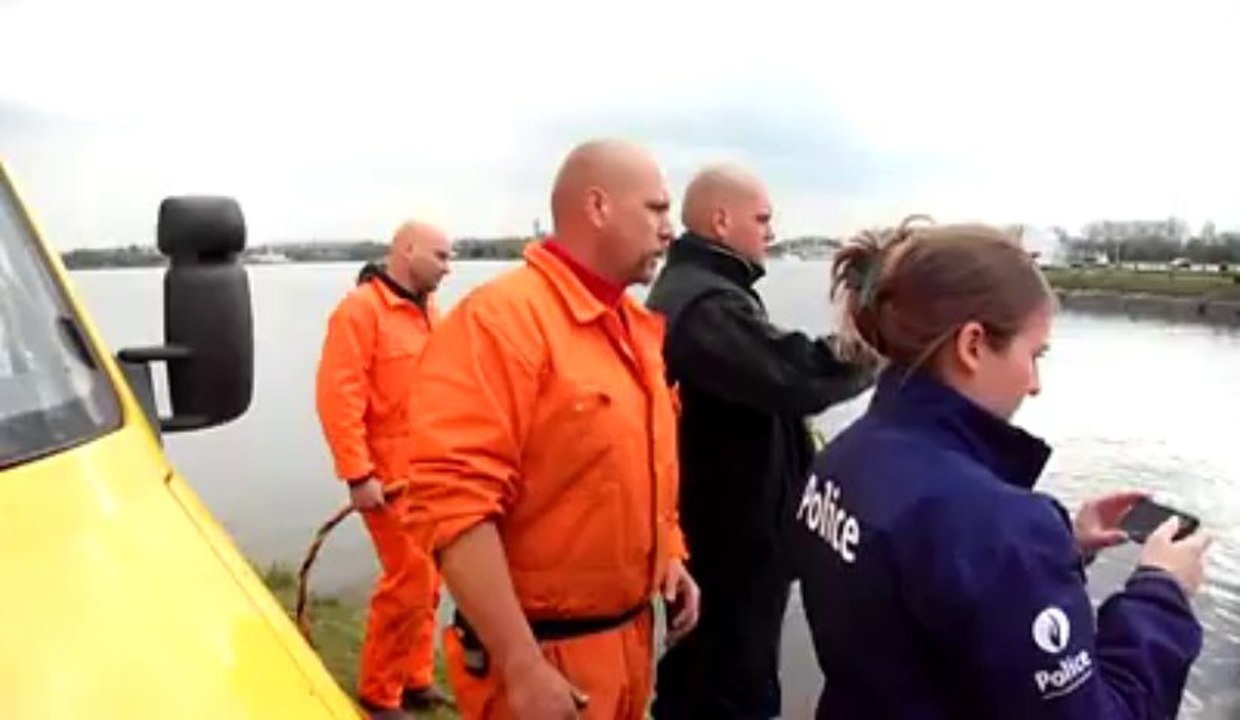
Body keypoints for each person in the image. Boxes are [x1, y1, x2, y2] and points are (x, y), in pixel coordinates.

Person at [790, 216, 1212, 719]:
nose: (1035, 383)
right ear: (972, 345)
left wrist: (1064, 547)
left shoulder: (842, 460)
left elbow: (919, 598)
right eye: (1034, 354)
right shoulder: (996, 526)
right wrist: (1162, 592)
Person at [403, 139, 701, 720]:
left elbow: (628, 465)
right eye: (657, 209)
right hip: (544, 660)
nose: (670, 230)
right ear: (598, 207)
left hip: (628, 648)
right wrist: (520, 663)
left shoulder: (631, 328)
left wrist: (669, 553)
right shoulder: (502, 323)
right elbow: (454, 506)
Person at [644, 164, 874, 719]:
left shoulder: (710, 292)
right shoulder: (705, 306)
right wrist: (876, 344)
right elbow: (793, 375)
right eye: (762, 218)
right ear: (721, 221)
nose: (771, 231)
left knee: (710, 675)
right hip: (726, 539)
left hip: (730, 534)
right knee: (728, 687)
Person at [314, 220, 452, 719]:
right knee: (409, 580)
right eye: (440, 256)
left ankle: (415, 678)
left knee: (431, 580)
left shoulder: (429, 312)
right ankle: (378, 694)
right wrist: (357, 474)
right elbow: (338, 397)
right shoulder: (360, 312)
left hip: (428, 474)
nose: (448, 267)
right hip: (385, 478)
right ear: (407, 250)